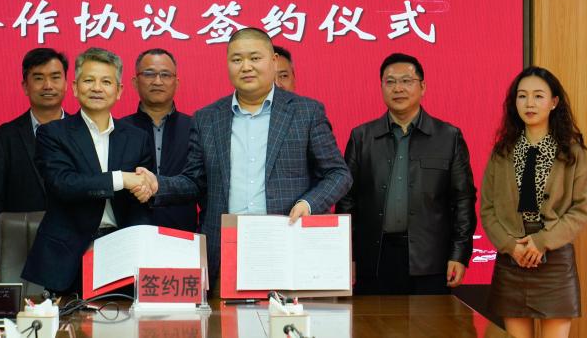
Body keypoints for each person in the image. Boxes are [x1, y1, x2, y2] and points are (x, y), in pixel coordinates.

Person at [145, 28, 351, 282]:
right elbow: (194, 182)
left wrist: (308, 204)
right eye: (237, 59)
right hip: (225, 252)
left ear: (273, 61)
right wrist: (158, 185)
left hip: (288, 245)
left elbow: (338, 174)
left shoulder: (306, 112)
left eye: (255, 58)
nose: (246, 67)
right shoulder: (207, 118)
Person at [336, 53, 476, 295]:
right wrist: (348, 255)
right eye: (390, 82)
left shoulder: (448, 137)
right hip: (374, 259)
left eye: (406, 81)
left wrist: (459, 254)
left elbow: (463, 199)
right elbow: (346, 200)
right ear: (381, 87)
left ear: (423, 87)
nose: (398, 88)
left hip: (430, 259)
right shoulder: (362, 137)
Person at [21, 48, 156, 294]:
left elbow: (142, 202)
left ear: (119, 90)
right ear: (75, 87)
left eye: (106, 82)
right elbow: (63, 184)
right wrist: (121, 179)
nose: (97, 88)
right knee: (70, 319)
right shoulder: (52, 133)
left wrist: (145, 192)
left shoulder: (137, 138)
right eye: (89, 80)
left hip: (123, 254)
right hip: (68, 256)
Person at [481, 67, 587, 338]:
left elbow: (581, 209)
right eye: (522, 96)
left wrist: (541, 242)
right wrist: (511, 246)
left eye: (538, 96)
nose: (529, 103)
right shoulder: (502, 151)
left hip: (555, 262)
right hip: (512, 259)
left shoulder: (572, 152)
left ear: (554, 102)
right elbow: (488, 209)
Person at [0, 48, 68, 274]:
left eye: (55, 77)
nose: (48, 85)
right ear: (25, 86)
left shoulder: (84, 133)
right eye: (38, 78)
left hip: (74, 250)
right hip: (19, 250)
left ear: (67, 84)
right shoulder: (4, 137)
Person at [121, 48, 198, 232]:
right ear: (135, 82)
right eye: (149, 74)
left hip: (183, 234)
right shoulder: (119, 129)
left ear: (176, 82)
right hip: (131, 233)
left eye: (165, 75)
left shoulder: (196, 127)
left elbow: (200, 184)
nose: (157, 81)